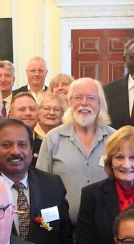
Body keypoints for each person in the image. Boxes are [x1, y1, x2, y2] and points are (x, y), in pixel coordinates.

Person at [37, 76, 112, 214]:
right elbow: (40, 187)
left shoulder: (114, 140)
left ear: (100, 103)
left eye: (91, 98)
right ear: (70, 102)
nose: (84, 103)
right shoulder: (52, 139)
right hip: (64, 229)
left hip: (106, 227)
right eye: (78, 98)